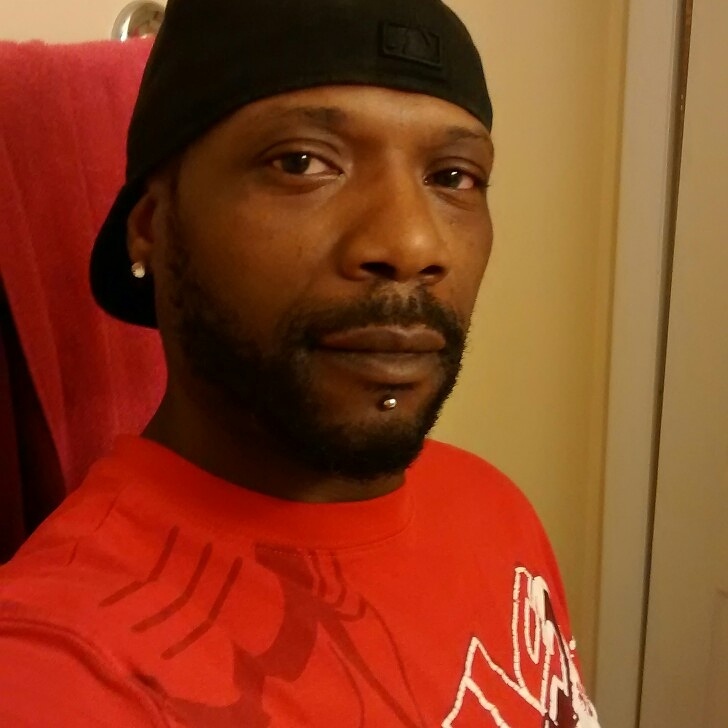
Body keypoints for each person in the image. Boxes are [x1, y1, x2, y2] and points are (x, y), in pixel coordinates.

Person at [0, 0, 600, 725]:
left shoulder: (496, 511)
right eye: (302, 163)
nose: (413, 244)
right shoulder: (59, 670)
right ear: (152, 227)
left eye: (452, 176)